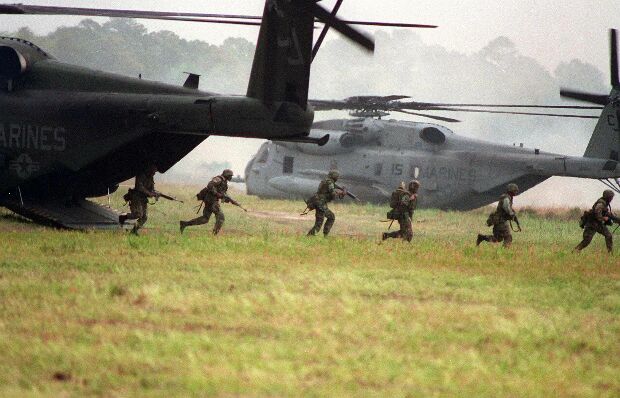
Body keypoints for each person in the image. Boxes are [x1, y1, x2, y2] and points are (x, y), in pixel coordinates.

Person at [180, 169, 234, 235]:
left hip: (211, 201)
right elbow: (210, 185)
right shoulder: (219, 179)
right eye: (230, 176)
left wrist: (228, 200)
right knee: (221, 217)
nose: (231, 177)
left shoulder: (224, 183)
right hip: (211, 200)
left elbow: (223, 194)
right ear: (227, 175)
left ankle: (184, 224)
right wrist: (217, 194)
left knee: (205, 219)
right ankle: (214, 235)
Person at [574, 189, 619, 253]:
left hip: (597, 224)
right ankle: (576, 250)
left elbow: (607, 214)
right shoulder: (601, 204)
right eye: (611, 197)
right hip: (592, 223)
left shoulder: (605, 203)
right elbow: (597, 214)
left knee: (608, 236)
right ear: (607, 197)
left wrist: (616, 220)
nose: (611, 199)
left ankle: (610, 252)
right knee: (587, 240)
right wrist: (604, 218)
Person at [119, 163, 159, 235]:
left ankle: (134, 231)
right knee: (138, 214)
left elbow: (152, 189)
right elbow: (139, 187)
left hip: (143, 199)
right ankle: (123, 217)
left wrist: (155, 194)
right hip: (136, 197)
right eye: (153, 172)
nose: (154, 174)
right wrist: (149, 193)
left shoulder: (151, 177)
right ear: (149, 170)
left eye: (154, 172)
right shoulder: (141, 175)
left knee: (144, 217)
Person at [477, 183, 519, 248]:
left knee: (497, 238)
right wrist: (512, 214)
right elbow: (506, 208)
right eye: (515, 190)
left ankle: (482, 237)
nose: (516, 192)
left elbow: (508, 208)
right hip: (501, 221)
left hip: (499, 220)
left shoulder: (507, 197)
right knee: (508, 237)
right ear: (511, 190)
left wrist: (513, 214)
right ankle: (505, 251)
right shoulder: (506, 198)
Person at [306, 170, 345, 236]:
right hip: (320, 204)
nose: (338, 178)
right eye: (337, 176)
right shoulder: (329, 182)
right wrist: (341, 193)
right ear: (334, 176)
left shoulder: (326, 181)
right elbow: (333, 194)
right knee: (320, 222)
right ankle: (310, 236)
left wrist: (340, 191)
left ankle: (324, 235)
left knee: (330, 217)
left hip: (319, 203)